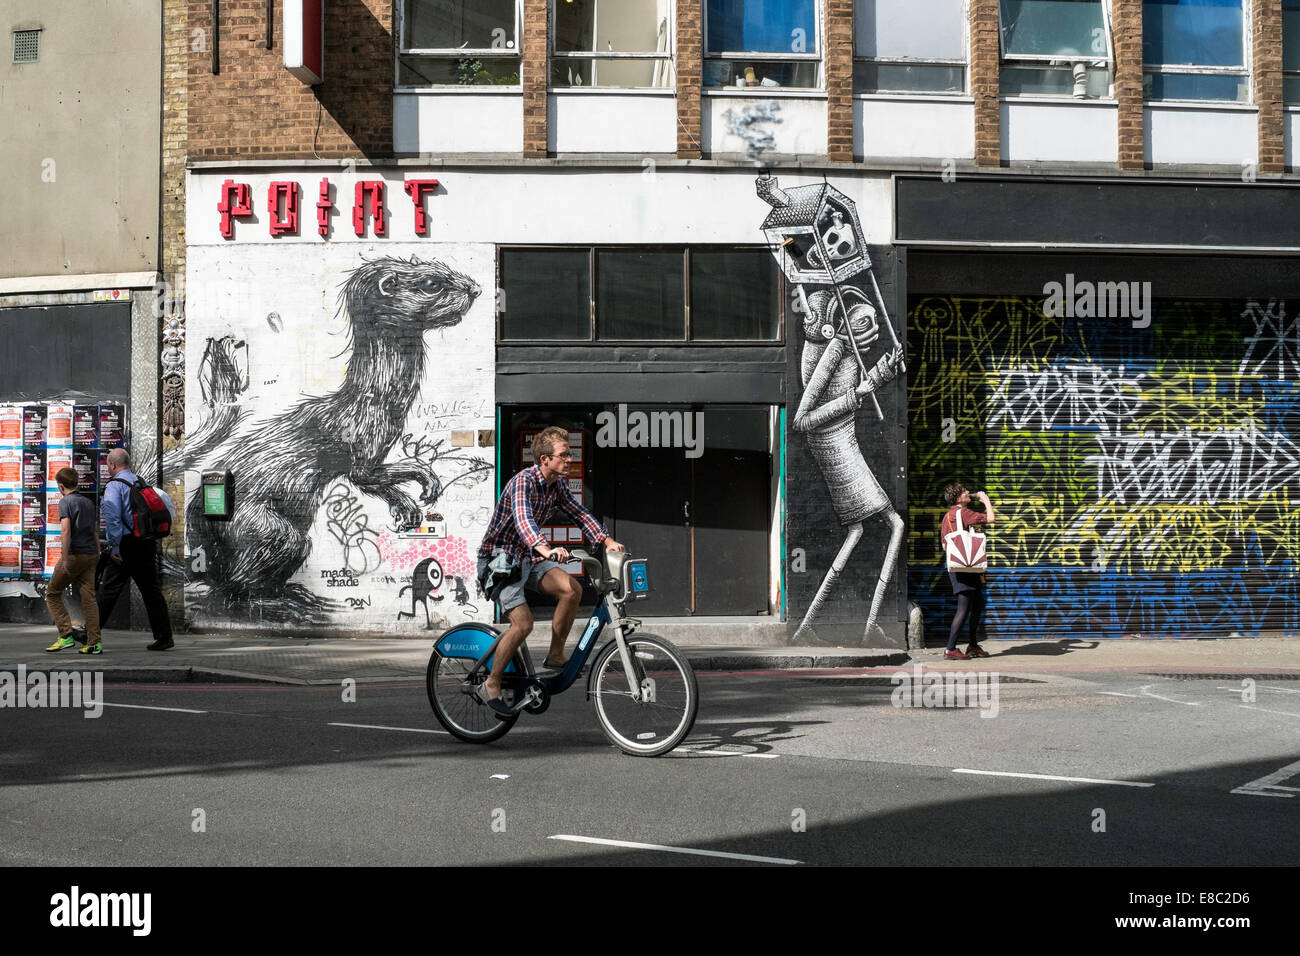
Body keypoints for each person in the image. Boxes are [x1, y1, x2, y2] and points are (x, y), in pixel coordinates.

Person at [477, 426, 624, 716]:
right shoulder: (523, 482)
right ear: (545, 459)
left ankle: (555, 655)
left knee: (572, 590)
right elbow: (523, 520)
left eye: (570, 454)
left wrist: (606, 540)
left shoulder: (556, 486)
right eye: (564, 455)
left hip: (527, 558)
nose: (570, 459)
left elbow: (578, 512)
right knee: (523, 624)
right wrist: (545, 548)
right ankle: (491, 683)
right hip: (499, 561)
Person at [97, 448, 176, 651]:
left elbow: (113, 519)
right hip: (146, 542)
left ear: (113, 465)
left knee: (109, 589)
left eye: (108, 465)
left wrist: (114, 547)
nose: (108, 469)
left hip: (126, 544)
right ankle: (164, 636)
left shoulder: (115, 486)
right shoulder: (140, 481)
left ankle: (91, 634)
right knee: (151, 591)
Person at [43, 467, 103, 654]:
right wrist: (98, 550)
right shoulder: (87, 502)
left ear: (61, 486)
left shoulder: (65, 502)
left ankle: (66, 636)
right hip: (91, 554)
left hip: (75, 555)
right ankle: (94, 643)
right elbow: (94, 529)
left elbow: (66, 531)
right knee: (89, 599)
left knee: (52, 593)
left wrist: (66, 557)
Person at [941, 482, 995, 660]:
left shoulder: (947, 517)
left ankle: (972, 645)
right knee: (963, 608)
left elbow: (944, 545)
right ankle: (950, 648)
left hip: (958, 567)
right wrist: (985, 500)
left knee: (977, 604)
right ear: (958, 498)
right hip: (968, 568)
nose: (968, 492)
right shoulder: (964, 513)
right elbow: (990, 518)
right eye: (965, 491)